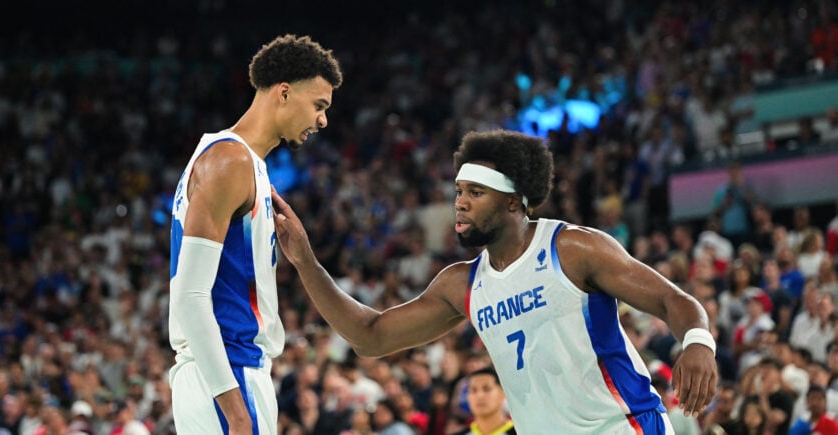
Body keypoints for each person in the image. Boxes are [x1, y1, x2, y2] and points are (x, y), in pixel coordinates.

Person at [274, 128, 718, 433]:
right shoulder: (461, 284)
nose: (460, 205)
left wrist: (697, 342)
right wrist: (307, 263)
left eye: (476, 194)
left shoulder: (572, 248)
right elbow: (371, 337)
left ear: (513, 202)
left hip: (624, 426)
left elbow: (672, 301)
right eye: (459, 193)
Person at [168, 34, 343, 435]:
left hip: (225, 373)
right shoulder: (230, 161)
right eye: (319, 105)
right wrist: (237, 413)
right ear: (283, 93)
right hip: (228, 372)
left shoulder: (242, 163)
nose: (323, 120)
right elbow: (190, 296)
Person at [451, 367, 516, 435]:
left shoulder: (522, 431)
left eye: (486, 389)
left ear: (503, 394)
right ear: (468, 397)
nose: (479, 396)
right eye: (473, 390)